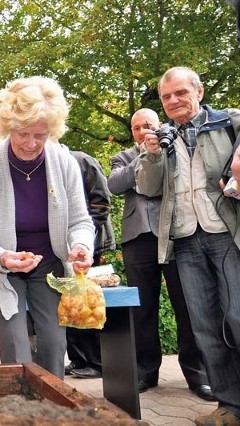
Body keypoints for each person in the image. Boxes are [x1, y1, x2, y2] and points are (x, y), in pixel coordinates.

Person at [0, 76, 95, 379]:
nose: (31, 143)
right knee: (16, 347)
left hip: (49, 263)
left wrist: (81, 246)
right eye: (23, 134)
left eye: (40, 134)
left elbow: (80, 220)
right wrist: (3, 258)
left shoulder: (65, 164)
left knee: (53, 342)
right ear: (9, 127)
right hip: (3, 267)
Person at [135, 67, 240, 425]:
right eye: (166, 96)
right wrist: (149, 155)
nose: (174, 100)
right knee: (206, 328)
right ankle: (230, 407)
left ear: (199, 90)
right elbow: (148, 188)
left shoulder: (227, 122)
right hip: (185, 241)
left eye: (181, 92)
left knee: (237, 318)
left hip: (225, 234)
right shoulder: (162, 138)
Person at [108, 107, 213, 400]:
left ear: (159, 125)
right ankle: (145, 372)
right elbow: (114, 185)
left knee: (186, 304)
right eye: (137, 127)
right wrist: (144, 155)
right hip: (137, 238)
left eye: (148, 125)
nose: (143, 131)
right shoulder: (124, 157)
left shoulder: (174, 147)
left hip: (176, 234)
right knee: (141, 308)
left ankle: (197, 374)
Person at [64, 150, 116, 379]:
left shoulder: (83, 160)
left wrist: (85, 237)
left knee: (89, 301)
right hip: (63, 247)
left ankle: (97, 362)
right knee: (70, 301)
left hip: (90, 243)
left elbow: (102, 201)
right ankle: (78, 359)